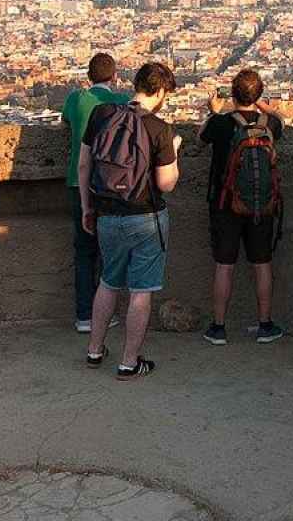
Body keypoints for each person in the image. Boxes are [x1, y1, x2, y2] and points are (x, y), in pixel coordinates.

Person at [81, 61, 181, 381]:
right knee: (141, 290)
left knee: (108, 282)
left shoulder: (102, 115)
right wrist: (174, 152)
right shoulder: (160, 129)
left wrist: (88, 208)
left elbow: (85, 167)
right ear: (161, 92)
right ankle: (128, 361)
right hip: (145, 217)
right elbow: (166, 184)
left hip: (107, 214)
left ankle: (95, 349)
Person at [199, 68, 287, 346]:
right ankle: (265, 324)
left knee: (224, 265)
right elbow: (282, 122)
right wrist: (264, 106)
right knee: (262, 263)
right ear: (258, 94)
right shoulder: (269, 125)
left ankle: (218, 327)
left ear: (232, 94)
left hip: (226, 204)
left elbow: (200, 137)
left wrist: (214, 111)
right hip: (262, 204)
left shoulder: (222, 124)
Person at [61, 53, 129, 334]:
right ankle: (105, 313)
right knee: (109, 249)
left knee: (83, 250)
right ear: (114, 76)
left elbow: (66, 123)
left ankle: (84, 315)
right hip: (109, 183)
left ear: (88, 76)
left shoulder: (76, 99)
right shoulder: (123, 102)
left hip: (78, 182)